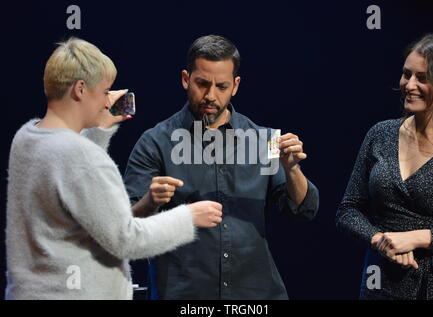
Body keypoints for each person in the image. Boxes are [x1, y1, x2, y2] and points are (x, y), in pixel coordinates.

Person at [5, 37, 222, 300]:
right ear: (80, 90)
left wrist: (98, 130)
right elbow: (125, 239)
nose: (108, 101)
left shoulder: (26, 138)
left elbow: (70, 178)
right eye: (105, 91)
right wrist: (187, 217)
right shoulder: (82, 157)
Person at [124, 35, 320, 299]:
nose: (210, 96)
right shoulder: (155, 142)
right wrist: (149, 201)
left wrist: (292, 170)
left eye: (221, 86)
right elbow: (125, 227)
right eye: (202, 84)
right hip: (184, 294)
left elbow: (303, 211)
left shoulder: (266, 140)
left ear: (235, 86)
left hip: (255, 294)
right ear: (186, 79)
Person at [336, 33, 433, 300]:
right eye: (406, 74)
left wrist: (421, 238)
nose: (409, 85)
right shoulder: (381, 134)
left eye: (422, 78)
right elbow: (347, 210)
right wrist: (379, 240)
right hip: (383, 283)